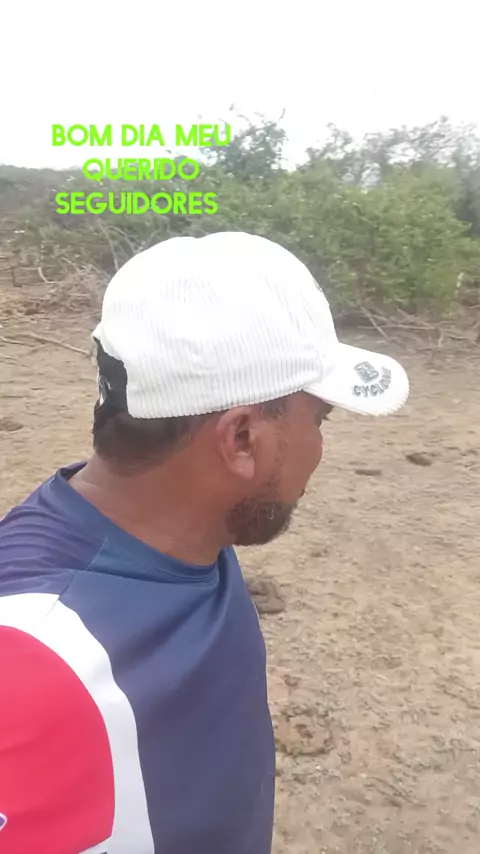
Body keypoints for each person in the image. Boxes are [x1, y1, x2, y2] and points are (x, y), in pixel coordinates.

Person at [0, 232, 409, 854]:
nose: (320, 449)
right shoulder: (37, 665)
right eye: (319, 419)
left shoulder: (185, 530)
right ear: (241, 440)